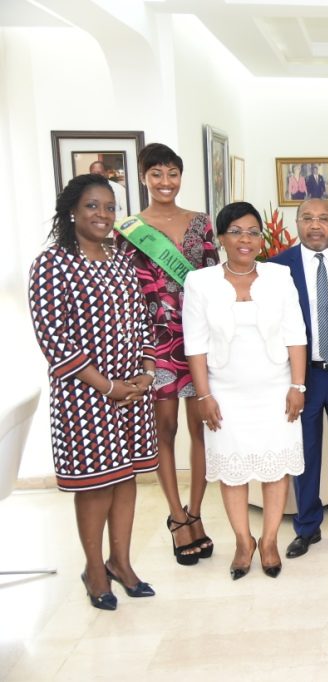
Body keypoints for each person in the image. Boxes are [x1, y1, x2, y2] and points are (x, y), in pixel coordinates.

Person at [29, 174, 158, 610]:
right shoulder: (52, 263)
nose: (103, 215)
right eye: (92, 206)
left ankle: (121, 562)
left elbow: (141, 319)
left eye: (108, 207)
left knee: (127, 479)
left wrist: (146, 370)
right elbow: (55, 340)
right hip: (86, 397)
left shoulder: (121, 258)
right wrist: (109, 386)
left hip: (132, 391)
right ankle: (95, 570)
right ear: (72, 211)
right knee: (97, 484)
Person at [182, 202, 307, 580]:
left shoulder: (279, 275)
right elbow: (196, 344)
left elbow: (295, 335)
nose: (245, 239)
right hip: (224, 393)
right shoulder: (199, 282)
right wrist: (204, 396)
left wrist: (297, 385)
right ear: (221, 238)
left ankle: (268, 541)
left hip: (275, 390)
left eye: (253, 231)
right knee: (233, 472)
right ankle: (242, 541)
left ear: (261, 238)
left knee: (275, 467)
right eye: (236, 231)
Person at [115, 143, 219, 567]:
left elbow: (213, 281)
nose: (165, 182)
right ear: (143, 177)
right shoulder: (128, 229)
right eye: (156, 174)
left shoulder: (201, 223)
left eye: (172, 173)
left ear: (181, 176)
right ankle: (176, 517)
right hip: (153, 345)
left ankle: (196, 513)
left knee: (200, 427)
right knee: (166, 427)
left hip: (196, 339)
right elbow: (123, 292)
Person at [271, 199, 328, 559]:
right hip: (301, 378)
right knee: (305, 455)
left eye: (323, 218)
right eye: (307, 218)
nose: (315, 225)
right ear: (296, 223)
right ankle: (307, 528)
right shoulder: (278, 267)